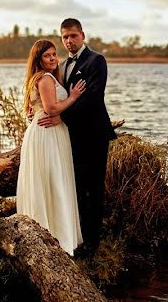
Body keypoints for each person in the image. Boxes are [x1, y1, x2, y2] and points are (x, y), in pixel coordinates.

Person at [39, 18, 116, 255]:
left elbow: (92, 98)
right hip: (71, 137)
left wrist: (62, 118)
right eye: (65, 37)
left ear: (82, 35)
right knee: (76, 186)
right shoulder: (61, 66)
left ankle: (92, 244)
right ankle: (75, 236)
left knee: (93, 188)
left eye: (73, 36)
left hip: (94, 134)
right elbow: (56, 97)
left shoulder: (96, 61)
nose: (69, 41)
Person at [16, 39, 87, 255]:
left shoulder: (39, 78)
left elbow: (38, 110)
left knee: (49, 180)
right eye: (47, 56)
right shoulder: (45, 78)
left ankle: (52, 231)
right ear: (39, 59)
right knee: (54, 179)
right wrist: (74, 96)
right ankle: (56, 234)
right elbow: (51, 108)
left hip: (46, 132)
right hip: (48, 135)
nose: (53, 59)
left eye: (54, 54)